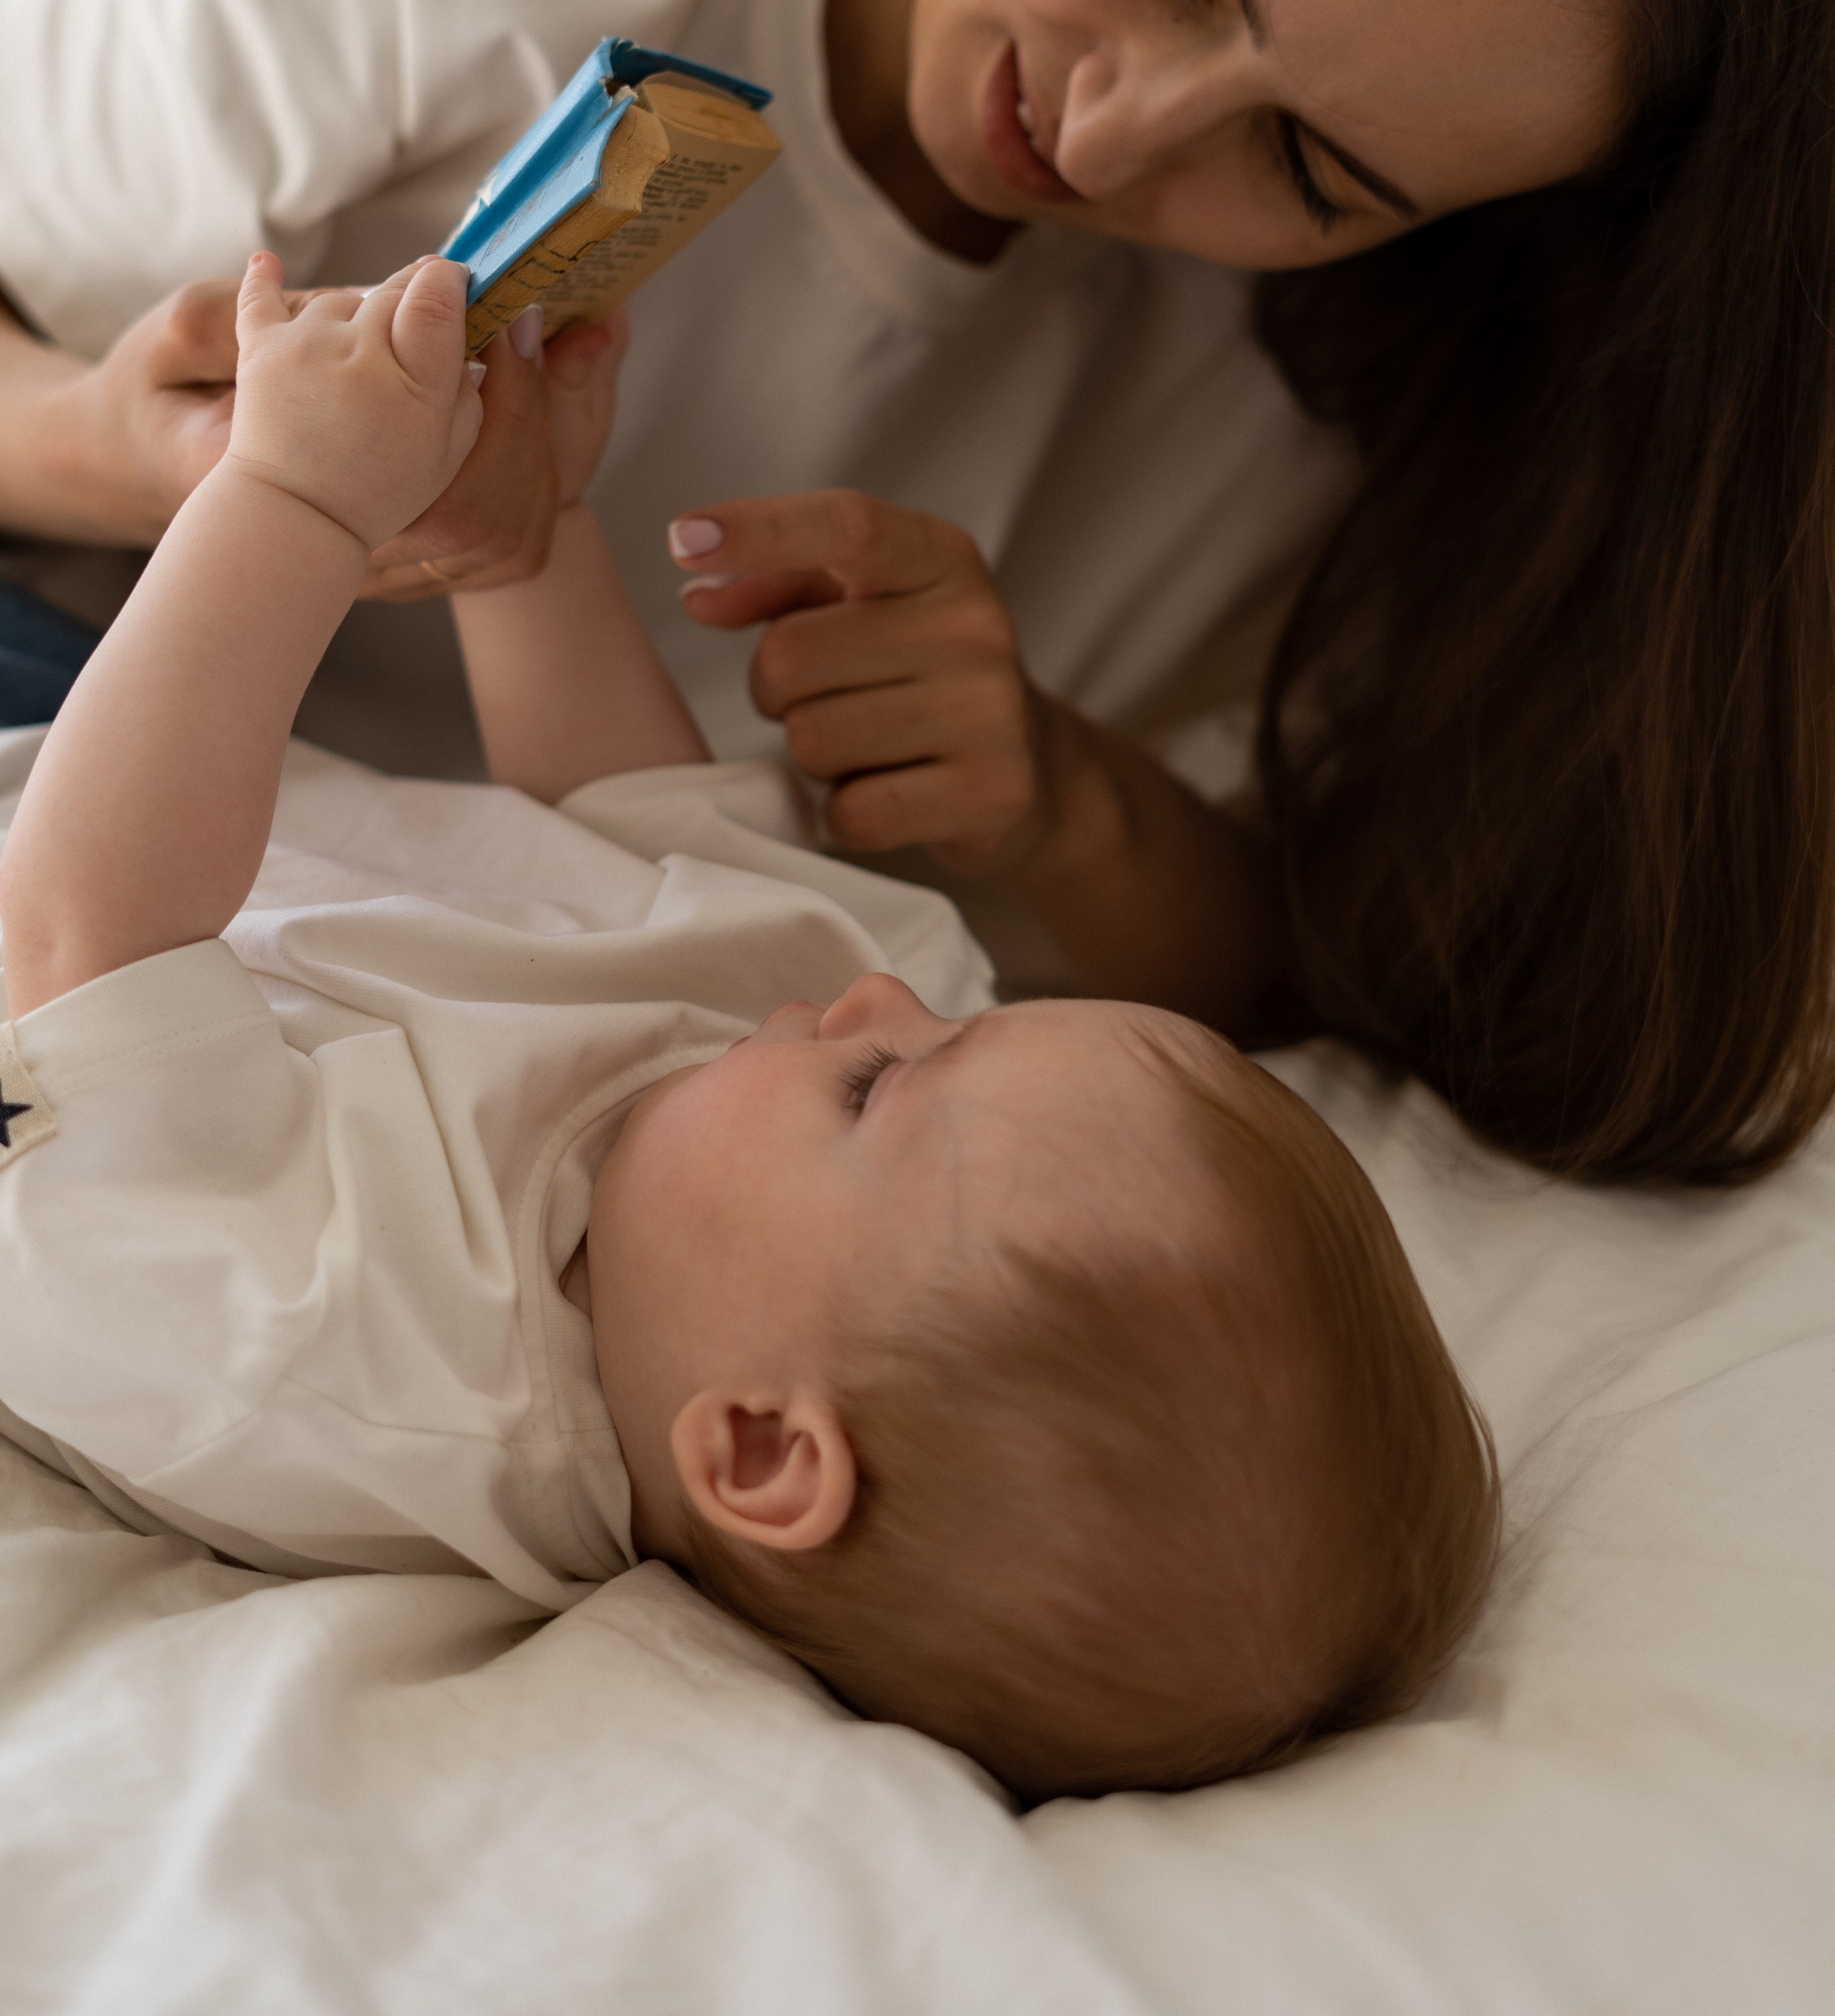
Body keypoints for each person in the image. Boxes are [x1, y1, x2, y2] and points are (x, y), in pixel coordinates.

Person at [0, 0, 1828, 1186]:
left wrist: (1060, 800)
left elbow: (1341, 972)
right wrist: (155, 463)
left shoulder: (1403, 361)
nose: (1115, 136)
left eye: (1310, 170)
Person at [0, 254, 1498, 1803]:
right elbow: (648, 844)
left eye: (873, 1085)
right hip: (89, 718)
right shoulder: (799, 1135)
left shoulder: (345, 1355)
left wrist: (295, 506)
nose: (880, 995)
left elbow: (70, 942)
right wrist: (523, 538)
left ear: (763, 1454)